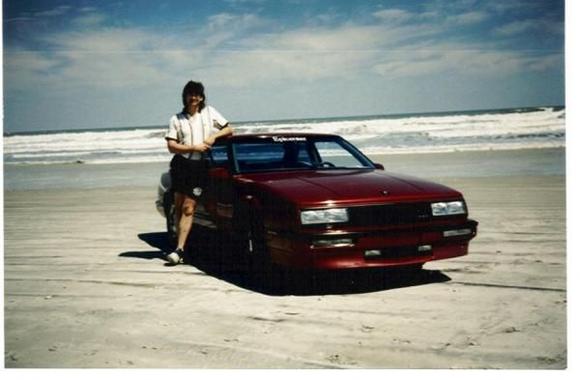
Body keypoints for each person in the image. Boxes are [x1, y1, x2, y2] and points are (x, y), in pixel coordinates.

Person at [164, 81, 233, 265]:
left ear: (201, 97)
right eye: (190, 94)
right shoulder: (176, 119)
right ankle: (179, 247)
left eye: (197, 94)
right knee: (178, 206)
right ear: (185, 96)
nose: (193, 97)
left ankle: (179, 249)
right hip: (181, 165)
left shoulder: (210, 113)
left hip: (200, 167)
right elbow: (171, 146)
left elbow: (229, 128)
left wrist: (212, 136)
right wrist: (193, 147)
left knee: (188, 207)